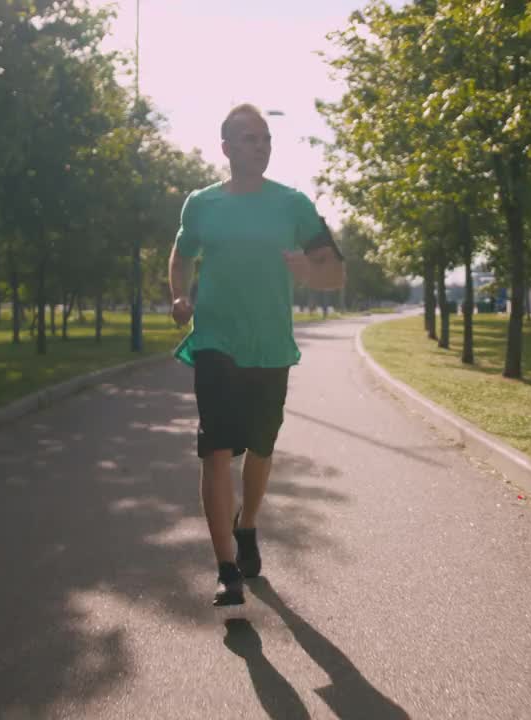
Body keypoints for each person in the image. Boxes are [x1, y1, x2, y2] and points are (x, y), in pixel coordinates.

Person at [169, 103, 345, 606]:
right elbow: (181, 255)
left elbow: (334, 272)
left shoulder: (293, 204)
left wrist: (308, 272)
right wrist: (179, 296)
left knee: (262, 447)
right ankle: (227, 568)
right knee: (217, 446)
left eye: (265, 137)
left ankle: (247, 524)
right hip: (215, 340)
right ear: (225, 148)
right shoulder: (201, 204)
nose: (261, 145)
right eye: (249, 138)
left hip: (269, 345)